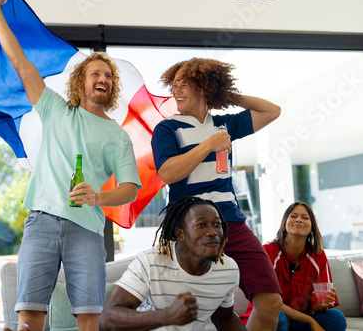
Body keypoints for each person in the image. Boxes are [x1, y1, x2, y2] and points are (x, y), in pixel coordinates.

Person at [0, 0, 141, 330]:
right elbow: (19, 60)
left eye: (109, 76)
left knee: (89, 317)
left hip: (87, 230)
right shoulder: (55, 110)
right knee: (28, 315)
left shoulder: (117, 135)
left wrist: (98, 197)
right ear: (81, 83)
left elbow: (129, 189)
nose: (103, 79)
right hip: (40, 222)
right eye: (95, 73)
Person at [150, 57, 282, 331]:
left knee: (270, 301)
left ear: (204, 88)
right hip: (190, 225)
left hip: (231, 221)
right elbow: (168, 173)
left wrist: (225, 95)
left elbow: (272, 111)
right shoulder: (168, 129)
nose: (176, 91)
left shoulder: (225, 124)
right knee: (201, 310)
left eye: (185, 85)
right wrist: (208, 145)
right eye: (174, 85)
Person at [99, 196, 246, 331]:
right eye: (201, 225)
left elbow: (224, 318)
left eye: (216, 224)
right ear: (180, 234)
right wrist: (167, 316)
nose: (212, 232)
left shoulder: (227, 269)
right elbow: (107, 320)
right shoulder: (151, 262)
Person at [263, 202, 346, 331]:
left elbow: (316, 307)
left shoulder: (318, 255)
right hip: (269, 317)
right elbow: (269, 302)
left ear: (312, 227)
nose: (299, 220)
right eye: (293, 216)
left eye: (305, 218)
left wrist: (320, 305)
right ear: (284, 224)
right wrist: (310, 321)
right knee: (278, 316)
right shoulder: (267, 252)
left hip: (298, 322)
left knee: (336, 317)